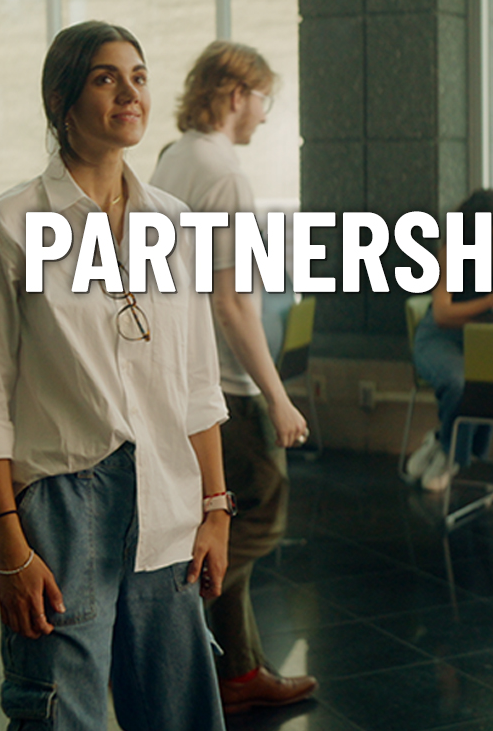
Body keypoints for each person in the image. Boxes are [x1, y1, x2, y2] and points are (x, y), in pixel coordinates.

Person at [0, 20, 231, 731]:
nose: (129, 92)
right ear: (60, 100)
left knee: (178, 712)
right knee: (60, 714)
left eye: (137, 76)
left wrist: (217, 507)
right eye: (106, 78)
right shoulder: (6, 228)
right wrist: (10, 550)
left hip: (166, 490)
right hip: (61, 504)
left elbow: (198, 383)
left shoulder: (172, 222)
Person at [150, 40, 317, 714]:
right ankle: (171, 610)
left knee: (228, 515)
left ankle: (241, 671)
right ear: (234, 94)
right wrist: (277, 396)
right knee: (262, 518)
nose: (266, 117)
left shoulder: (171, 159)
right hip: (223, 388)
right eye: (264, 100)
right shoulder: (226, 174)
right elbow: (232, 301)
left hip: (177, 379)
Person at [405, 189, 493, 493]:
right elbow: (442, 313)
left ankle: (441, 442)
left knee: (489, 384)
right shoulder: (453, 250)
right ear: (485, 223)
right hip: (439, 339)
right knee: (460, 383)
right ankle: (453, 456)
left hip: (478, 341)